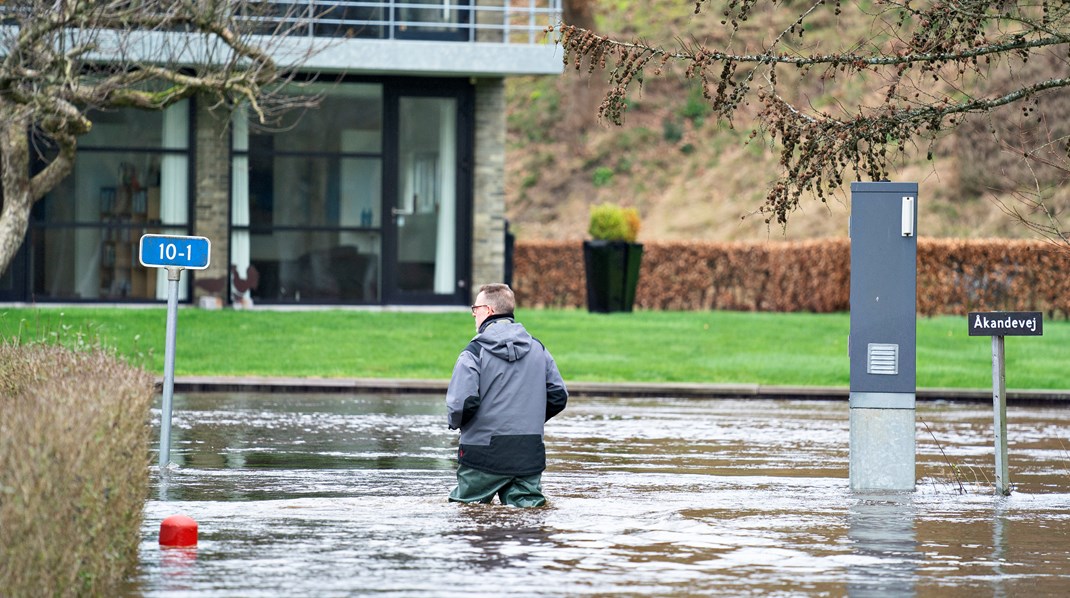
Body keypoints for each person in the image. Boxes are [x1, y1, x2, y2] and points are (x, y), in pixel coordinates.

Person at [446, 283, 568, 507]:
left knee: (466, 514)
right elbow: (558, 396)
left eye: (476, 309)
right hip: (529, 453)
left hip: (481, 454)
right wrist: (529, 418)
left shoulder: (473, 353)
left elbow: (461, 405)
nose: (474, 314)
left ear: (488, 311)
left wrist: (455, 425)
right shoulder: (538, 349)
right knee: (528, 520)